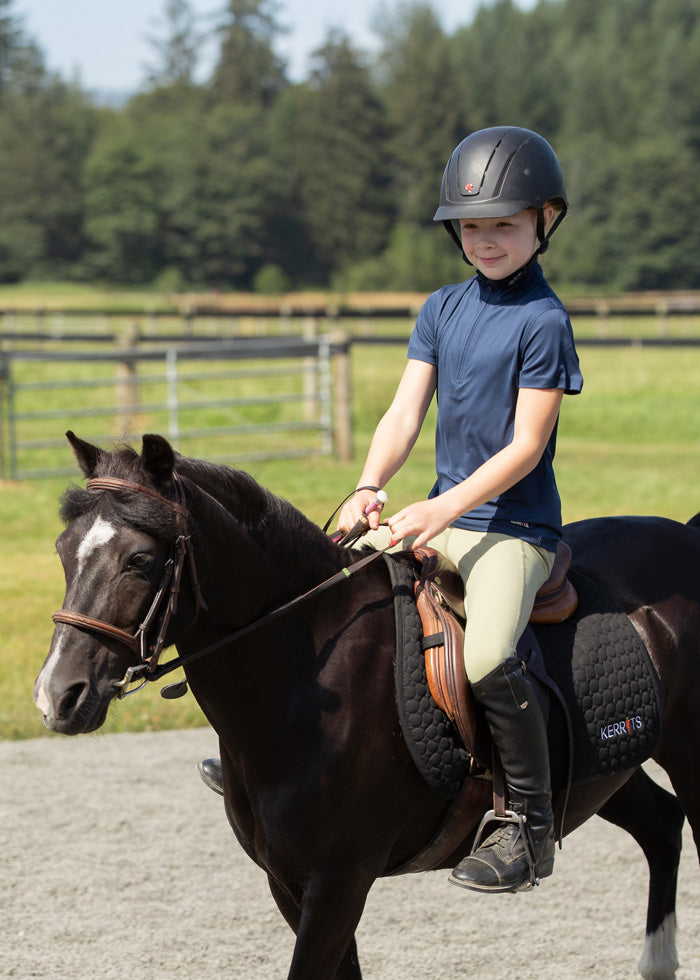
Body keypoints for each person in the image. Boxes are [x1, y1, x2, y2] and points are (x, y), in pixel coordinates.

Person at [335, 126, 582, 894]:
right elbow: (406, 412)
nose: (486, 240)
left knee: (484, 659)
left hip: (512, 527)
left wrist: (440, 509)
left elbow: (525, 448)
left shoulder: (543, 321)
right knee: (329, 587)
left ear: (545, 220)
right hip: (436, 513)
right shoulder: (440, 308)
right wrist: (369, 483)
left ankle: (527, 828)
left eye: (503, 224)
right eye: (472, 226)